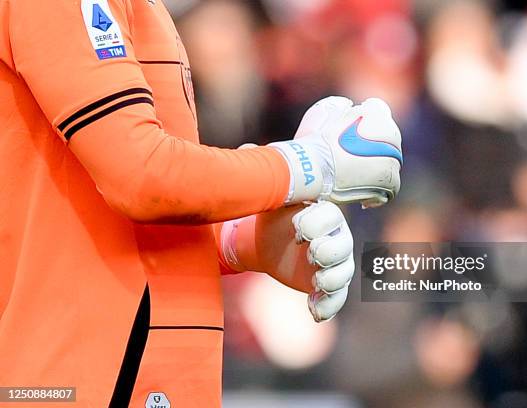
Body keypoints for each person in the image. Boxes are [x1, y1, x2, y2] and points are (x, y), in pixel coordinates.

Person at [0, 0, 402, 406]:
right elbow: (142, 176)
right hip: (74, 378)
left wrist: (247, 240)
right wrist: (305, 165)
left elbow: (119, 211)